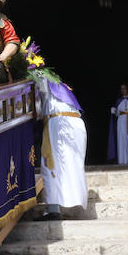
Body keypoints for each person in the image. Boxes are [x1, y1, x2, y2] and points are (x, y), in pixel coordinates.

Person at [36, 76, 89, 220]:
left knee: (50, 165)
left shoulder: (42, 81)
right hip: (77, 124)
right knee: (73, 166)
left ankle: (53, 209)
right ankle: (75, 200)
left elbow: (36, 109)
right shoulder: (62, 88)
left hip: (58, 122)